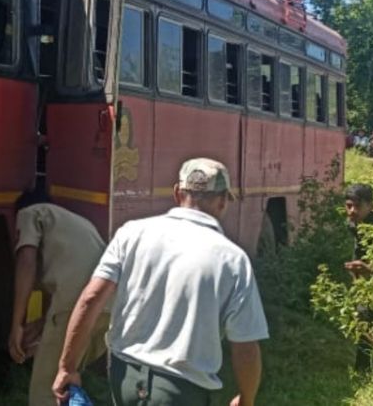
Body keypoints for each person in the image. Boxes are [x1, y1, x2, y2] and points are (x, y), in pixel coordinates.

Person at [52, 159, 266, 406]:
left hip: (124, 378)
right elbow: (245, 345)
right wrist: (247, 399)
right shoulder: (233, 260)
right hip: (182, 392)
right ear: (222, 201)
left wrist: (67, 367)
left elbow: (91, 299)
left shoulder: (131, 233)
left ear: (177, 193)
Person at [10, 187, 109, 406]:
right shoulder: (77, 222)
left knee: (45, 393)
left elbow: (27, 261)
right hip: (107, 309)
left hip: (76, 307)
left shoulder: (29, 212)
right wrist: (43, 326)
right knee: (65, 382)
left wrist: (17, 325)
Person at [344, 183, 373, 372]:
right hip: (365, 284)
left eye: (357, 206)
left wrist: (370, 269)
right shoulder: (353, 224)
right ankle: (363, 369)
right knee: (363, 320)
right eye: (349, 206)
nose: (352, 211)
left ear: (371, 206)